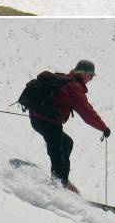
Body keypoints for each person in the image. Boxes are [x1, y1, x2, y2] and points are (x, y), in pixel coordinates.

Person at [29, 60, 110, 193]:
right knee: (57, 151)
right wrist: (103, 128)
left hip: (38, 118)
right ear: (83, 73)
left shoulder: (65, 79)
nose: (91, 79)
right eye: (91, 75)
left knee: (66, 143)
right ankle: (58, 185)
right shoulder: (74, 87)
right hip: (47, 122)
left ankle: (61, 180)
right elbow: (86, 112)